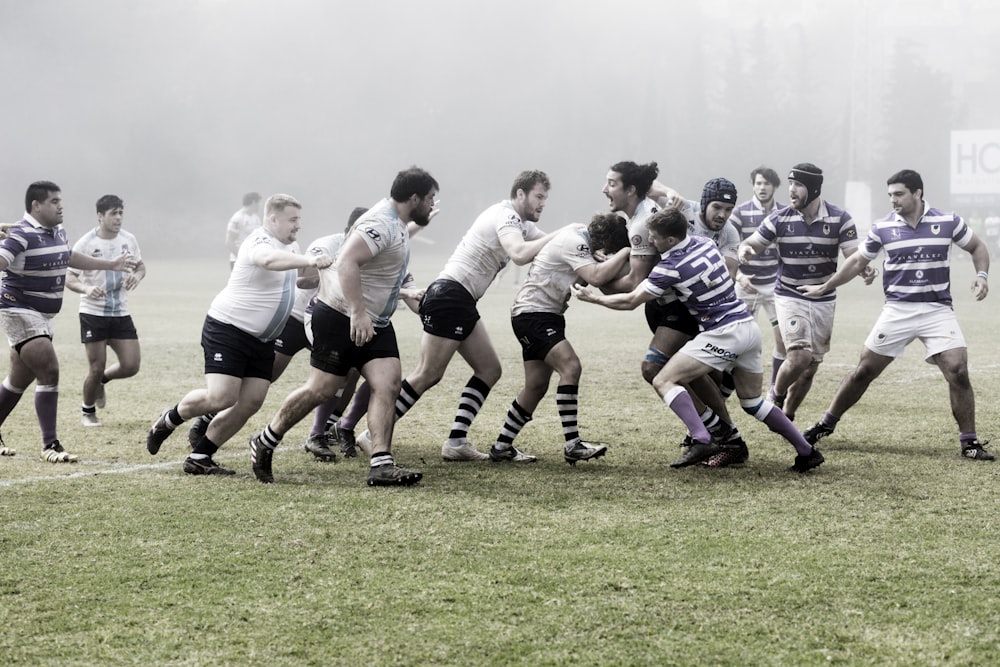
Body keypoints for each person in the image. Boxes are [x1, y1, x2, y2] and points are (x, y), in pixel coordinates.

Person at [574, 207, 825, 473]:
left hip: (723, 333)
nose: (650, 242)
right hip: (748, 328)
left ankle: (702, 437)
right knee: (753, 403)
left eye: (654, 237)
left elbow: (630, 300)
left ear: (670, 240)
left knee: (662, 379)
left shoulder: (670, 268)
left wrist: (595, 298)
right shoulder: (704, 242)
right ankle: (806, 451)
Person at [247, 166, 439, 486]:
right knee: (320, 390)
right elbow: (347, 260)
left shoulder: (398, 221)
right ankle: (266, 439)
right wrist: (358, 311)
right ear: (414, 197)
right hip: (340, 315)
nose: (433, 204)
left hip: (374, 320)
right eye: (431, 198)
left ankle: (381, 463)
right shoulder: (380, 223)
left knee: (388, 384)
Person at [355, 170, 562, 462]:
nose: (543, 203)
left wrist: (580, 246)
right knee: (428, 373)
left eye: (545, 198)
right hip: (450, 296)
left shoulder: (522, 225)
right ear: (520, 194)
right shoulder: (506, 216)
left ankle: (456, 442)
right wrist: (563, 233)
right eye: (539, 196)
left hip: (460, 300)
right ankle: (371, 434)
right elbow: (518, 253)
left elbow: (550, 247)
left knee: (489, 370)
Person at [800, 169, 994, 462]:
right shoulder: (883, 228)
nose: (893, 200)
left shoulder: (947, 220)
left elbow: (977, 246)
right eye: (890, 194)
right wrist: (826, 285)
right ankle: (825, 424)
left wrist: (982, 275)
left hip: (937, 310)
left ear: (917, 193)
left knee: (958, 370)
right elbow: (857, 261)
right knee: (864, 371)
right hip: (897, 310)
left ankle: (970, 442)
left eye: (899, 194)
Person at [145, 194, 332, 475]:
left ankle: (200, 457)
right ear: (272, 219)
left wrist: (325, 272)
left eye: (298, 220)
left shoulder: (290, 245)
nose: (298, 226)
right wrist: (309, 259)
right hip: (228, 330)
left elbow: (295, 278)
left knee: (251, 401)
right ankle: (168, 419)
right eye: (293, 219)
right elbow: (267, 261)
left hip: (262, 339)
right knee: (221, 397)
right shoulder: (260, 241)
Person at [0, 181, 135, 462]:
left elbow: (68, 256)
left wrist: (110, 265)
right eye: (53, 201)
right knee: (49, 369)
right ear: (36, 206)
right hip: (19, 310)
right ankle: (50, 446)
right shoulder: (20, 235)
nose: (61, 206)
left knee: (17, 380)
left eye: (60, 200)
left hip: (43, 316)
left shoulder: (57, 232)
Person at [737, 163, 875, 422]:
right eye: (790, 184)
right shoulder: (780, 218)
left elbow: (852, 257)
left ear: (813, 188)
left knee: (810, 368)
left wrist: (864, 270)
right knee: (799, 356)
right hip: (789, 295)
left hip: (823, 298)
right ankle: (775, 395)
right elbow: (752, 242)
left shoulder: (839, 219)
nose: (791, 190)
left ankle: (787, 414)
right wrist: (746, 250)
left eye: (798, 185)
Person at [489, 212, 631, 464]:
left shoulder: (581, 243)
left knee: (535, 385)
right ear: (606, 242)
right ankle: (573, 444)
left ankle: (502, 446)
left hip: (541, 315)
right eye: (611, 249)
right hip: (535, 315)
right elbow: (597, 277)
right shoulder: (574, 241)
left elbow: (604, 281)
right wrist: (626, 252)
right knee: (571, 366)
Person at [65, 194, 146, 427]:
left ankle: (102, 380)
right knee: (96, 365)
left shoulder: (129, 239)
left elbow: (141, 266)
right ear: (100, 216)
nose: (118, 218)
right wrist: (86, 288)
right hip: (93, 313)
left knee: (131, 366)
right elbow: (69, 277)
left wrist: (137, 276)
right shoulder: (86, 243)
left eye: (121, 213)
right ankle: (87, 412)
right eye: (113, 213)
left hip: (120, 312)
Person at [729, 166, 786, 388]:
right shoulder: (740, 213)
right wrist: (740, 277)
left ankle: (775, 388)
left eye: (767, 184)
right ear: (753, 186)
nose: (762, 188)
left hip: (775, 286)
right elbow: (729, 248)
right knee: (741, 340)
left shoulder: (784, 212)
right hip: (746, 285)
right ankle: (734, 384)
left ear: (774, 187)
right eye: (758, 183)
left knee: (783, 339)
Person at [226, 192, 262, 269]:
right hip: (238, 261)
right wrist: (241, 258)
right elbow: (229, 241)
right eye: (258, 203)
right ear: (253, 202)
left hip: (253, 260)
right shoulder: (238, 218)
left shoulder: (256, 218)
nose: (259, 206)